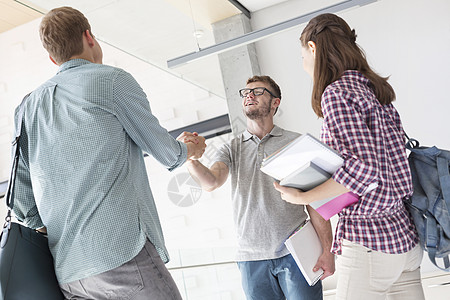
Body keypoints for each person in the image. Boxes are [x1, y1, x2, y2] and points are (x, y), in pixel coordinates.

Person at [12, 6, 206, 300]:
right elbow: (167, 154)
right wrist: (192, 149)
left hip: (69, 275)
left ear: (53, 58)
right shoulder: (110, 81)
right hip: (121, 255)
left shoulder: (27, 107)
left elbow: (23, 202)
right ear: (89, 36)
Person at [273, 13, 425, 300]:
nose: (304, 63)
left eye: (303, 53)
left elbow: (362, 170)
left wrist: (302, 196)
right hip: (405, 238)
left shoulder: (337, 93)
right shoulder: (375, 90)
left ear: (314, 47)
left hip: (370, 241)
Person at [178, 75, 335, 300]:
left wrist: (327, 251)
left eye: (258, 91)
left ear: (275, 103)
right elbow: (212, 182)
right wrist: (190, 158)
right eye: (245, 92)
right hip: (251, 259)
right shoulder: (231, 148)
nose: (249, 95)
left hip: (295, 252)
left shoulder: (296, 143)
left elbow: (315, 201)